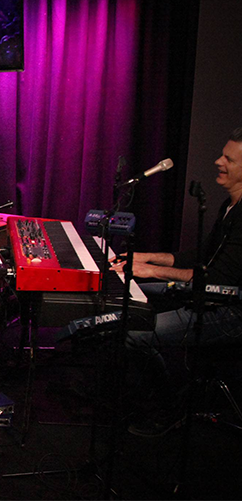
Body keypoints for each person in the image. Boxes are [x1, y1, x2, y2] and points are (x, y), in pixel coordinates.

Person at [113, 127, 242, 436]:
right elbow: (199, 257)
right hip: (209, 295)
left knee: (135, 335)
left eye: (228, 159)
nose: (218, 161)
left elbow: (217, 279)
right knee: (122, 293)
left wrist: (152, 271)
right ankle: (129, 394)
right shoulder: (230, 206)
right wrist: (144, 258)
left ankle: (167, 408)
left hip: (232, 311)